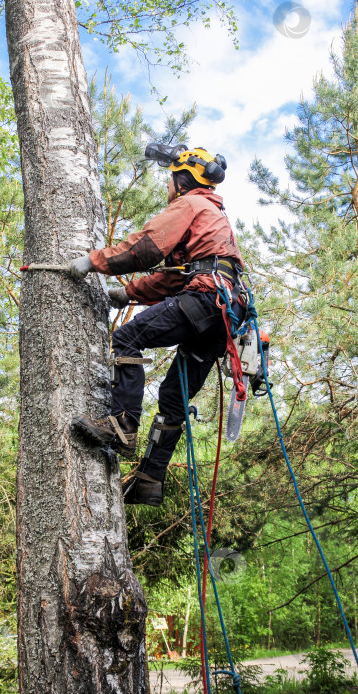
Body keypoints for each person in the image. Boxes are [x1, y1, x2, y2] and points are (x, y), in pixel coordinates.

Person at [70, 145, 246, 506]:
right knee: (173, 396)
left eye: (169, 181)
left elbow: (147, 248)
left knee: (128, 336)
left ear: (181, 180)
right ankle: (149, 479)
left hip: (206, 299)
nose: (167, 188)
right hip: (224, 314)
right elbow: (175, 280)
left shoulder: (191, 203)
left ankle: (122, 425)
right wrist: (128, 293)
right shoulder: (213, 218)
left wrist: (93, 261)